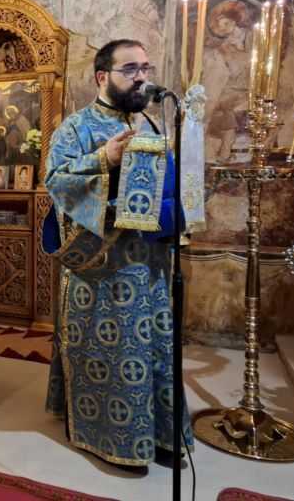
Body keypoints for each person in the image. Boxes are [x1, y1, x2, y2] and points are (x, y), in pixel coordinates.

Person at [43, 39, 193, 468]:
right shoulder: (75, 128)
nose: (141, 77)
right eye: (130, 69)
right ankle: (111, 436)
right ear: (102, 76)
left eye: (145, 68)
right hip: (102, 270)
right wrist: (103, 159)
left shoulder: (151, 123)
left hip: (150, 264)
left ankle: (160, 433)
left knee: (155, 348)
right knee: (115, 352)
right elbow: (55, 181)